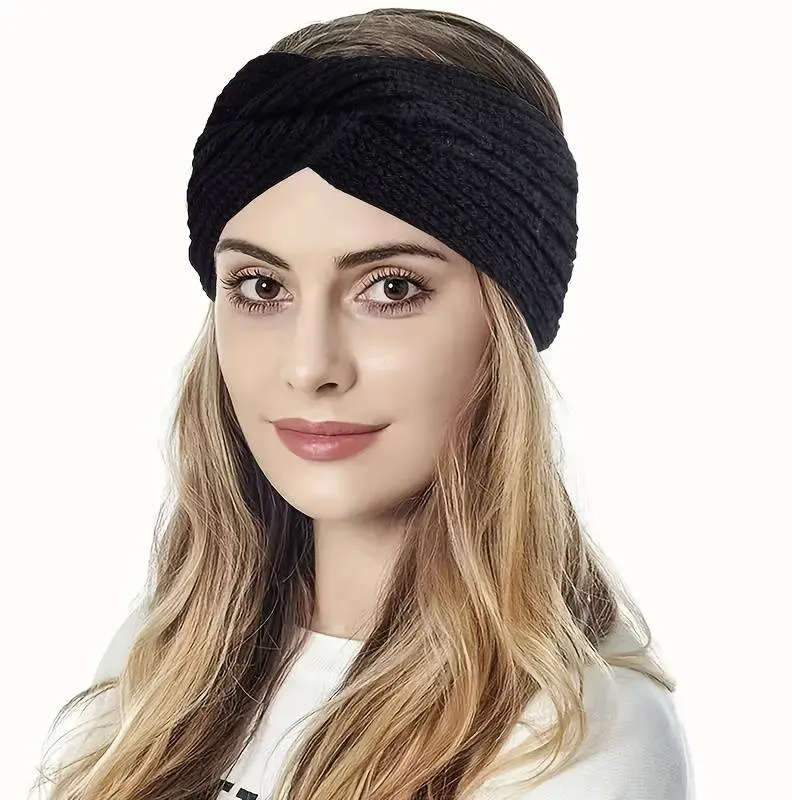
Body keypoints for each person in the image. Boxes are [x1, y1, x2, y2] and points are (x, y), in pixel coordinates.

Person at [31, 7, 692, 800]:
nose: (310, 366)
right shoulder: (167, 654)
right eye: (261, 286)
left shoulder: (572, 736)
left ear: (507, 325)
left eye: (392, 288)